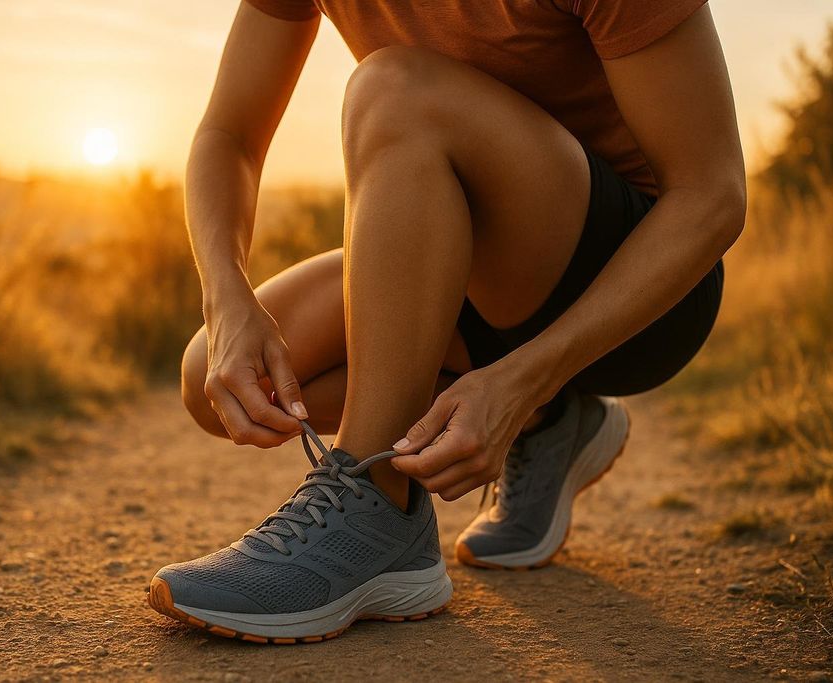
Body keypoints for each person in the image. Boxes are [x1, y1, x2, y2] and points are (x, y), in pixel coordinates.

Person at [147, 0, 745, 643]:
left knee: (395, 88)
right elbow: (229, 136)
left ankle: (375, 508)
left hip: (634, 291)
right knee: (211, 374)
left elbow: (711, 195)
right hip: (461, 265)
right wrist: (228, 298)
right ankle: (551, 427)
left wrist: (524, 381)